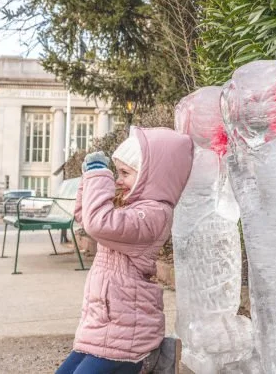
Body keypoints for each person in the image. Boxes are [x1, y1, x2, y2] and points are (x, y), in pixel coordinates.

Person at [56, 127, 193, 374]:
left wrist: (100, 176)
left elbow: (98, 224)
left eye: (125, 173)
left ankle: (149, 359)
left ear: (152, 177)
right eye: (116, 173)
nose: (118, 180)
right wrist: (90, 177)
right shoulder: (130, 206)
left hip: (129, 331)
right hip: (104, 324)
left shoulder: (153, 215)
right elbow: (86, 217)